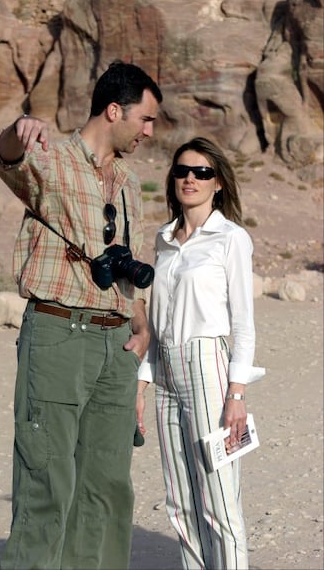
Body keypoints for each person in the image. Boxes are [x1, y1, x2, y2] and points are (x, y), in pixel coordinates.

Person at [0, 61, 162, 570]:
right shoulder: (51, 159)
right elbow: (3, 158)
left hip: (116, 346)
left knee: (107, 487)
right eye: (145, 120)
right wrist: (19, 130)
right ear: (114, 110)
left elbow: (125, 263)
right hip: (60, 334)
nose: (149, 132)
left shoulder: (128, 181)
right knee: (47, 481)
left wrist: (141, 323)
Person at [136, 137, 265, 570]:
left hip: (210, 368)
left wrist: (237, 394)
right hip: (167, 372)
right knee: (179, 502)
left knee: (219, 500)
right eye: (182, 171)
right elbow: (156, 320)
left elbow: (244, 323)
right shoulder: (163, 239)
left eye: (202, 172)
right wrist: (142, 380)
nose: (190, 179)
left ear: (218, 184)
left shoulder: (231, 238)